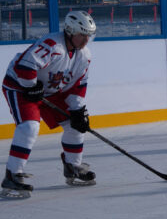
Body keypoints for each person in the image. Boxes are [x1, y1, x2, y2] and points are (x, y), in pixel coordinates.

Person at [2, 11, 97, 199]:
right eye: (82, 35)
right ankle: (12, 175)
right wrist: (30, 85)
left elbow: (78, 86)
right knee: (29, 127)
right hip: (19, 86)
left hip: (49, 91)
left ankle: (73, 166)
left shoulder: (84, 56)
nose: (86, 39)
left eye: (89, 35)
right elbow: (25, 66)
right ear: (70, 32)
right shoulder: (52, 45)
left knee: (75, 125)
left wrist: (77, 109)